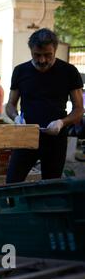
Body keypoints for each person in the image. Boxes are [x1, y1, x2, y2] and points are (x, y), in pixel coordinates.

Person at [5, 28, 84, 183]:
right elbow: (10, 105)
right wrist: (16, 117)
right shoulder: (20, 71)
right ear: (31, 51)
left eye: (48, 55)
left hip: (55, 138)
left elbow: (79, 109)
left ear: (55, 49)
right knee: (12, 181)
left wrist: (62, 122)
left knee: (51, 185)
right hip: (26, 136)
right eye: (37, 55)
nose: (42, 60)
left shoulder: (69, 71)